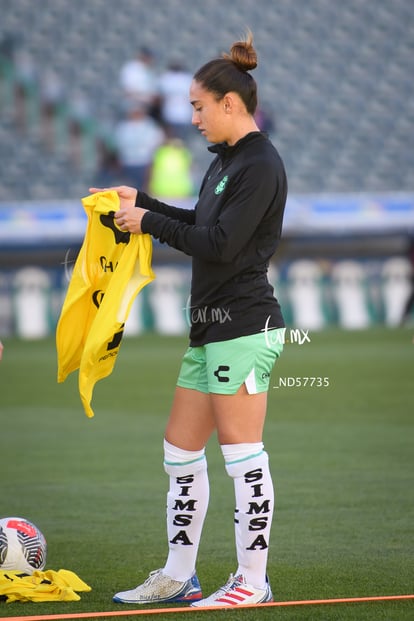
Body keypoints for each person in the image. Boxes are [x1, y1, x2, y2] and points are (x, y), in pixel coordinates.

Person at [90, 30, 287, 608]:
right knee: (180, 449)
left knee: (242, 454)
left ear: (231, 104)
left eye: (199, 107)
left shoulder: (259, 163)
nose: (192, 118)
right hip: (211, 328)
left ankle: (253, 580)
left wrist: (147, 224)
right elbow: (200, 223)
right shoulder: (227, 161)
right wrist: (142, 201)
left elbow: (221, 244)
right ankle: (180, 576)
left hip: (244, 326)